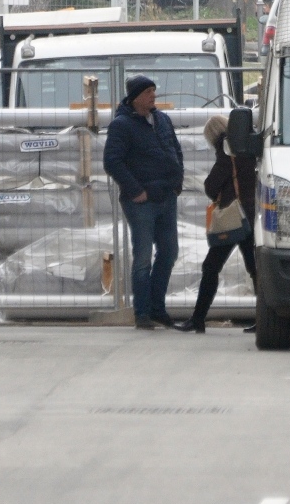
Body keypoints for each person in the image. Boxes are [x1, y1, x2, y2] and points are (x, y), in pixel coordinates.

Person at [103, 74, 183, 330]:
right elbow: (112, 161)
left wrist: (177, 180)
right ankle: (143, 313)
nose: (153, 96)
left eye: (154, 91)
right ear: (136, 97)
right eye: (148, 92)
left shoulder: (162, 120)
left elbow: (175, 150)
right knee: (143, 258)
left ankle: (158, 308)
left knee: (169, 252)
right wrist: (136, 190)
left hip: (166, 197)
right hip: (142, 202)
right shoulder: (122, 125)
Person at [174, 115, 257, 334]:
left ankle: (197, 319)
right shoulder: (248, 147)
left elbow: (211, 187)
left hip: (233, 218)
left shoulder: (227, 151)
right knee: (255, 268)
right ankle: (264, 317)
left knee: (210, 267)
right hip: (251, 215)